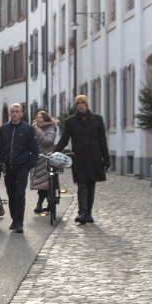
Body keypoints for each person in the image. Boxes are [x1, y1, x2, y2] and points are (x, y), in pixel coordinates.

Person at [54, 94, 109, 224]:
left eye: (82, 103)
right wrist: (55, 152)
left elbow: (102, 140)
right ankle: (82, 212)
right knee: (82, 184)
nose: (80, 105)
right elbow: (64, 139)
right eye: (78, 103)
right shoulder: (71, 121)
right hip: (79, 157)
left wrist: (106, 158)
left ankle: (88, 213)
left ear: (86, 104)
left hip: (94, 157)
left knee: (91, 185)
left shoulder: (97, 119)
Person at [0, 103, 40, 233]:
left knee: (20, 194)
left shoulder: (28, 129)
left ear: (21, 114)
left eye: (17, 111)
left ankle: (19, 222)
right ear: (9, 113)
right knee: (11, 194)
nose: (14, 113)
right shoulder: (3, 129)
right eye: (12, 111)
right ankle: (14, 219)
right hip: (8, 167)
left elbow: (35, 150)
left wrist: (29, 165)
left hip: (22, 167)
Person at [30, 110, 58, 213]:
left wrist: (38, 131)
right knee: (42, 183)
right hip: (37, 159)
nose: (38, 119)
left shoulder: (51, 128)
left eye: (41, 117)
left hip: (46, 159)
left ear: (45, 119)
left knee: (46, 183)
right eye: (37, 117)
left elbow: (48, 141)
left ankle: (41, 204)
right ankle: (47, 203)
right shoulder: (34, 128)